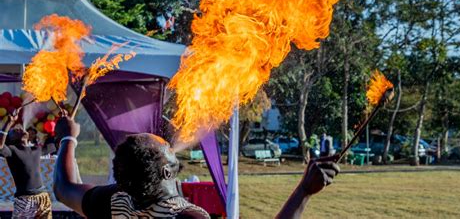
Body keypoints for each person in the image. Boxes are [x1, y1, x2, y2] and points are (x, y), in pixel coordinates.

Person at [54, 117, 340, 219]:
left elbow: (64, 188)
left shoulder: (116, 202)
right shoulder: (187, 217)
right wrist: (303, 191)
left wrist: (68, 137)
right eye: (164, 146)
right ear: (167, 171)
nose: (169, 141)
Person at [0, 114, 56, 219]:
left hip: (43, 197)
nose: (19, 129)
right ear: (11, 139)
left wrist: (58, 123)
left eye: (18, 128)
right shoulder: (12, 150)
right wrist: (8, 124)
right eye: (14, 131)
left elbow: (53, 145)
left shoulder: (36, 149)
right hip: (25, 200)